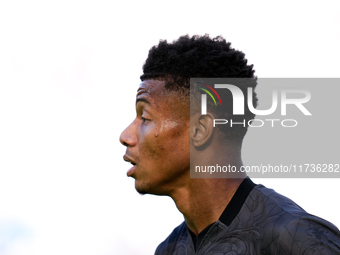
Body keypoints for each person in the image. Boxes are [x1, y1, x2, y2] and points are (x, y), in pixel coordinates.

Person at [119, 34, 340, 254]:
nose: (126, 136)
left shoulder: (296, 239)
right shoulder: (169, 250)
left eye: (145, 118)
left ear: (200, 130)